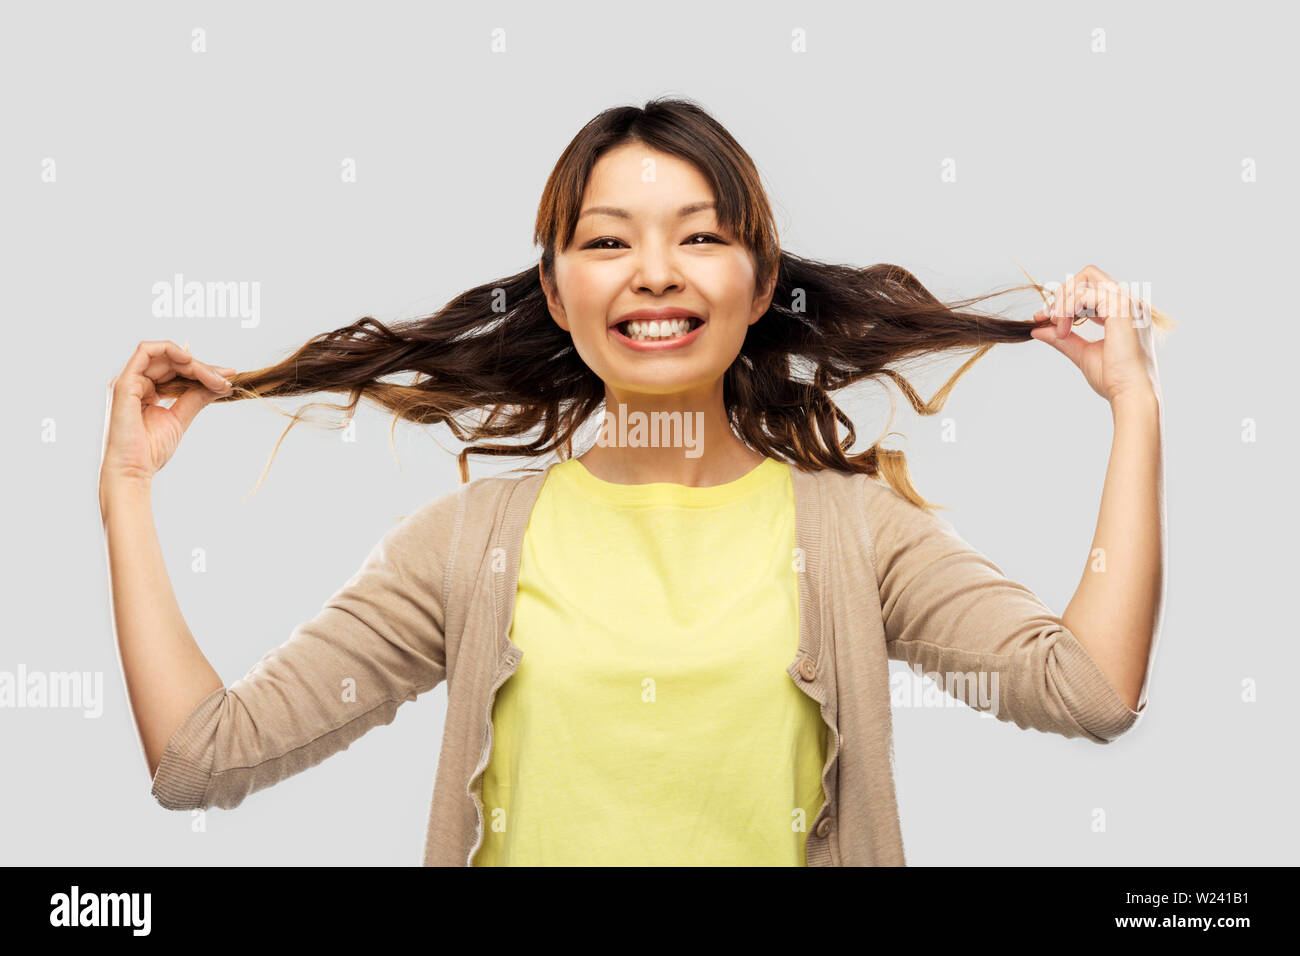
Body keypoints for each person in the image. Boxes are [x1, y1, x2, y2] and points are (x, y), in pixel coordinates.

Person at [100, 96, 1168, 866]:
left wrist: (1133, 407)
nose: (655, 270)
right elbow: (202, 757)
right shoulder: (467, 544)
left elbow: (1089, 688)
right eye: (607, 241)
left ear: (757, 286)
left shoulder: (854, 536)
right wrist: (129, 494)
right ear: (559, 295)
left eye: (700, 235)